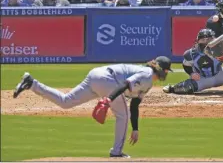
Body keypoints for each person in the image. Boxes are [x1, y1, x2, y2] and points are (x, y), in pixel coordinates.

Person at [13, 56, 173, 158]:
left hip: (96, 75)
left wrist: (136, 128)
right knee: (122, 116)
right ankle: (116, 152)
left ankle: (32, 83)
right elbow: (125, 84)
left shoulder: (146, 81)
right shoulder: (146, 74)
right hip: (108, 80)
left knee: (66, 101)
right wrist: (108, 99)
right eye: (167, 71)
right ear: (163, 70)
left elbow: (135, 104)